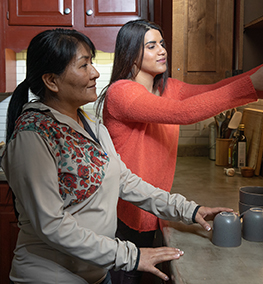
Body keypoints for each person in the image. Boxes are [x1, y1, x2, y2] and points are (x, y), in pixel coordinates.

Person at [1, 28, 233, 284]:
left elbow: (126, 181)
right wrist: (130, 256)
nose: (95, 73)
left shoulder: (89, 124)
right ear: (51, 81)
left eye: (92, 62)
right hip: (51, 277)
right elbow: (52, 226)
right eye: (84, 65)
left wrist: (189, 209)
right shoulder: (32, 136)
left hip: (96, 274)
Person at [97, 19, 263, 283]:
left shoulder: (169, 88)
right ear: (130, 54)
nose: (162, 51)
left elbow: (214, 90)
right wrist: (252, 83)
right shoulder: (121, 93)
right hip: (124, 214)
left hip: (155, 208)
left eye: (162, 44)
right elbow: (183, 113)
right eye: (151, 46)